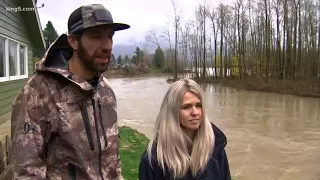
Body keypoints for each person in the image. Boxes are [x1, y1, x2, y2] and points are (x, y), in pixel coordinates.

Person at [5, 4, 130, 179]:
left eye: (110, 36)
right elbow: (24, 172)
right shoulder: (39, 93)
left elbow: (113, 161)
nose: (107, 46)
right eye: (96, 37)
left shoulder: (105, 91)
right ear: (73, 41)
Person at [139, 78, 231, 180]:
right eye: (187, 107)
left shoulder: (215, 146)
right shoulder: (154, 159)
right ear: (172, 112)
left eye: (199, 105)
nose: (195, 112)